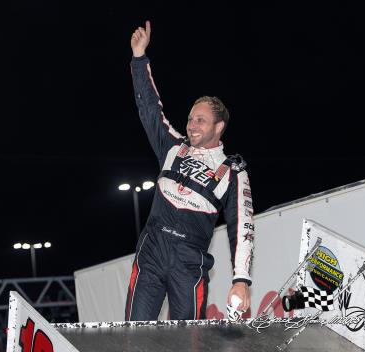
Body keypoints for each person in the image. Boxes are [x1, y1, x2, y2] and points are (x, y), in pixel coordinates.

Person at [125, 21, 255, 321]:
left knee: (187, 342)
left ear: (218, 127)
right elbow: (150, 109)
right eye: (190, 118)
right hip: (152, 249)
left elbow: (243, 228)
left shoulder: (232, 171)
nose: (191, 125)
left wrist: (241, 280)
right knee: (134, 335)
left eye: (200, 120)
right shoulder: (172, 145)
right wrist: (139, 57)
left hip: (189, 260)